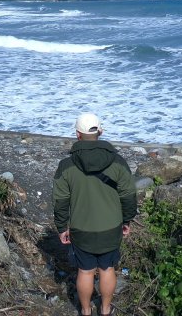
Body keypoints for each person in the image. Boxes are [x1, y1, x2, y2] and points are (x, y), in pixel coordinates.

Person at [53, 113, 137, 316]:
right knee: (107, 268)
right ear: (100, 131)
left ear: (77, 134)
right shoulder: (117, 162)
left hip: (82, 229)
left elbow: (60, 201)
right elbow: (128, 195)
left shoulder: (67, 166)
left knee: (85, 271)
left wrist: (62, 227)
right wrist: (126, 220)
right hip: (111, 227)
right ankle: (106, 309)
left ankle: (85, 310)